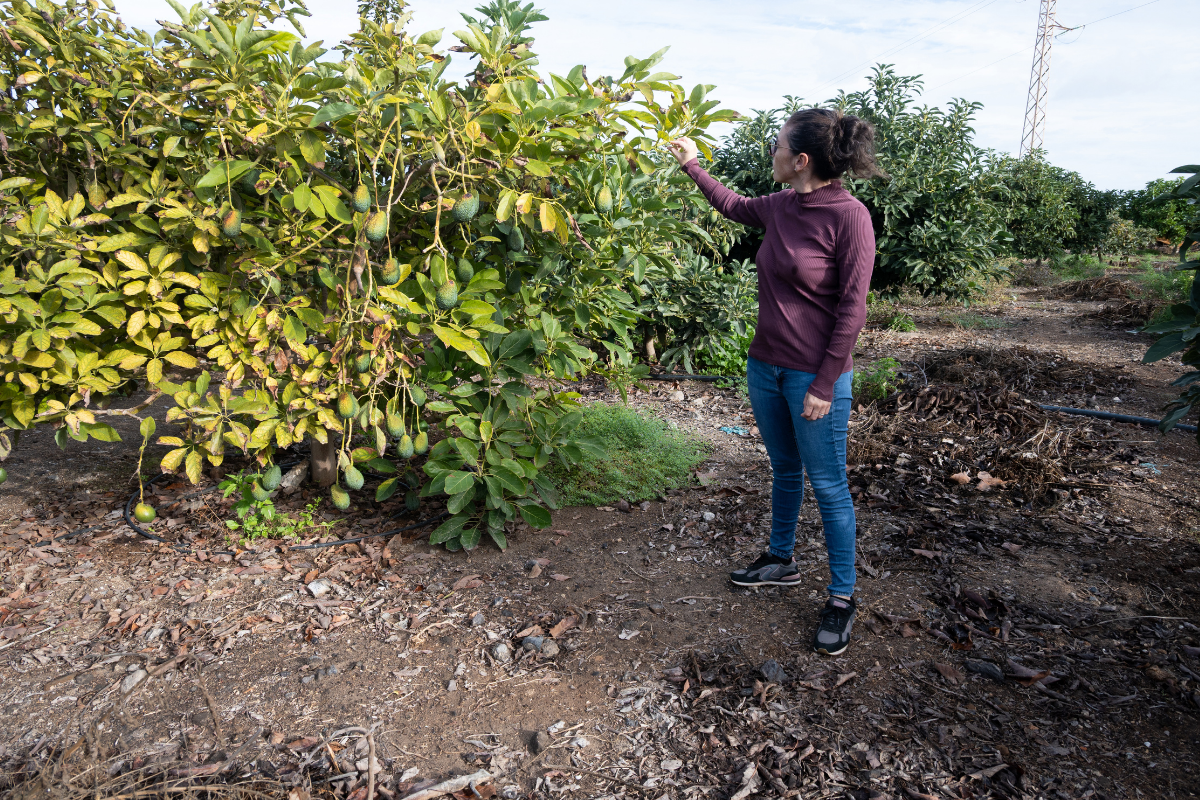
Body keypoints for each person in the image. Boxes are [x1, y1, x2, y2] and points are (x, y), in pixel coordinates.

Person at [669, 108, 884, 656]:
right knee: (785, 468)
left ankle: (841, 597)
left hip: (814, 377)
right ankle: (780, 559)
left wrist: (824, 383)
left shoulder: (849, 217)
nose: (772, 154)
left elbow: (851, 311)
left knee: (829, 483)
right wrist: (693, 165)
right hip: (765, 366)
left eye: (777, 146)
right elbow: (734, 206)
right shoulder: (782, 205)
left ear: (801, 159)